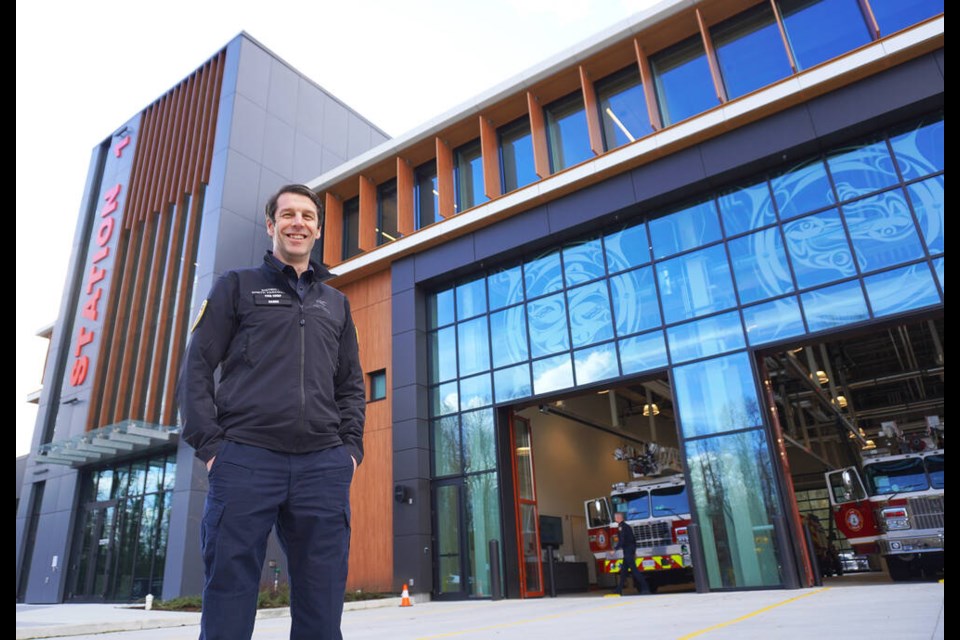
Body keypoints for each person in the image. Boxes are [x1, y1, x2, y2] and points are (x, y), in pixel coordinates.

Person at [177, 184, 365, 640]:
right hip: (245, 458)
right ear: (271, 225)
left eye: (307, 216)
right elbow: (197, 367)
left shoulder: (335, 304)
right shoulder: (236, 286)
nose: (297, 222)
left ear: (318, 229)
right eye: (287, 215)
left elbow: (351, 385)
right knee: (229, 592)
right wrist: (212, 446)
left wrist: (350, 450)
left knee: (322, 603)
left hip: (322, 465)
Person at [612, 511, 651, 595]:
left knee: (635, 570)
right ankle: (619, 589)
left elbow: (622, 540)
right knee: (623, 572)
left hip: (628, 552)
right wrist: (634, 551)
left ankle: (645, 588)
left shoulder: (622, 527)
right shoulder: (627, 526)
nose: (614, 518)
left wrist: (615, 549)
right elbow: (633, 540)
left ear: (619, 518)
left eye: (615, 517)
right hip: (629, 551)